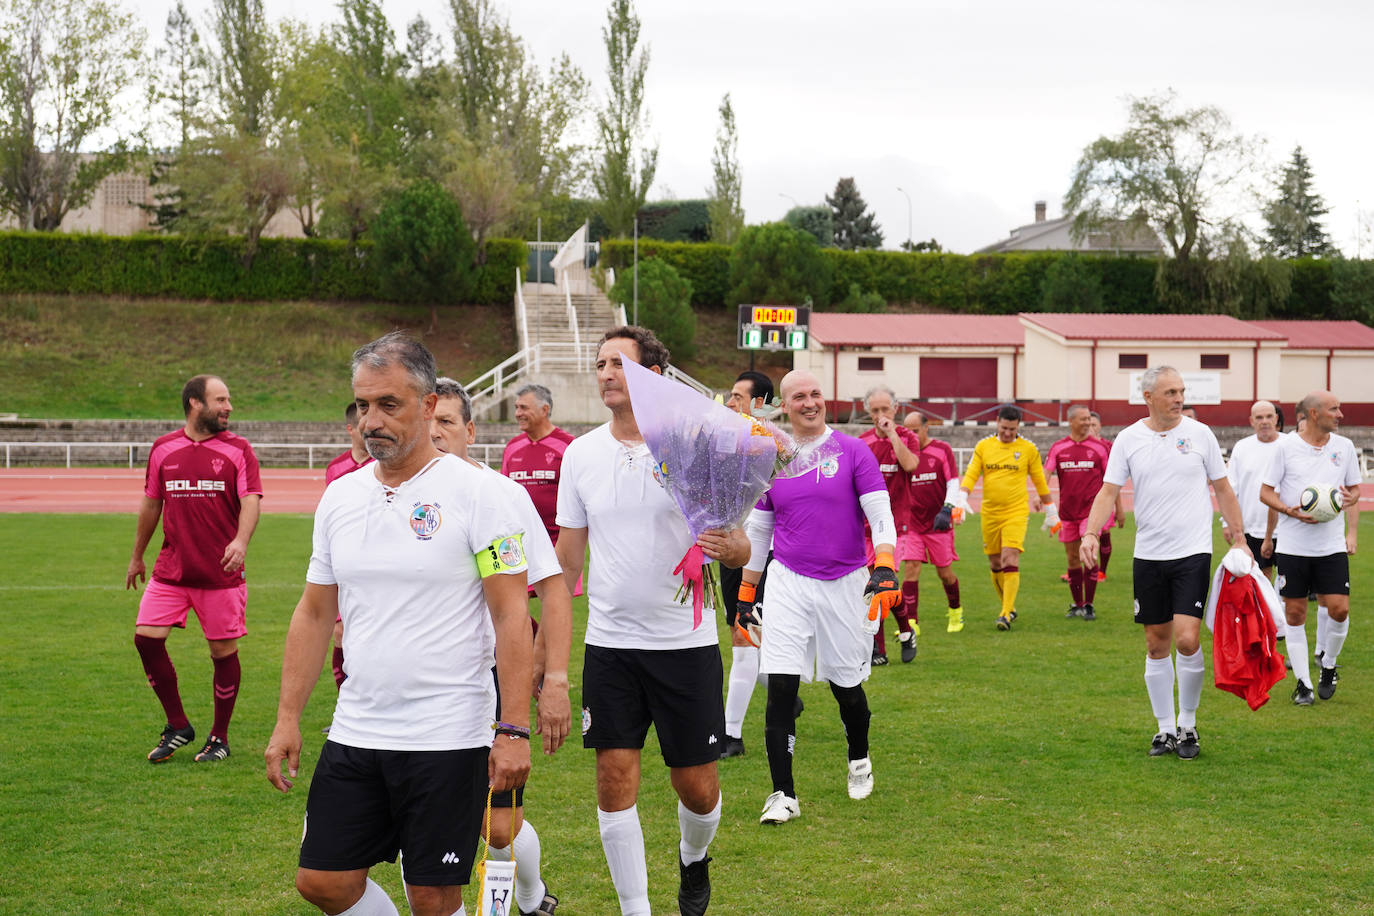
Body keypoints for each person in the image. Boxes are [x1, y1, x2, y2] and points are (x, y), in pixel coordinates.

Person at [265, 332, 535, 916]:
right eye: (363, 405)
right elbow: (314, 612)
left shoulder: (484, 496)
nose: (371, 420)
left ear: (431, 404)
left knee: (434, 900)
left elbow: (513, 613)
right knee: (323, 881)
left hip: (447, 735)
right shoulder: (340, 497)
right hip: (356, 727)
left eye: (389, 404)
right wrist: (288, 718)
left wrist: (513, 727)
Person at [554, 326, 750, 916]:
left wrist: (732, 549)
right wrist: (548, 657)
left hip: (684, 645)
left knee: (697, 787)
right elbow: (567, 559)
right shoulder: (580, 454)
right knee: (614, 782)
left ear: (653, 377)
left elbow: (740, 548)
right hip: (609, 646)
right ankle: (635, 909)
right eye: (600, 364)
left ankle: (694, 859)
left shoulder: (696, 448)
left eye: (619, 363)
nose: (606, 372)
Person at [432, 377, 570, 916]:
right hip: (423, 690)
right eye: (427, 422)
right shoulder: (396, 494)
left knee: (500, 827)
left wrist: (554, 676)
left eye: (447, 422)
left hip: (489, 681)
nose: (435, 434)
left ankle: (533, 896)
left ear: (470, 430)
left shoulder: (501, 495)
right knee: (431, 824)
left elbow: (551, 588)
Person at [742, 370, 900, 825]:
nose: (809, 403)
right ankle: (782, 794)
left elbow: (879, 511)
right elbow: (761, 529)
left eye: (815, 395)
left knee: (846, 688)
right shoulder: (774, 457)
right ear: (784, 406)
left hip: (846, 582)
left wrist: (885, 563)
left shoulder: (853, 451)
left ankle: (859, 756)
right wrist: (747, 594)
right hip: (789, 581)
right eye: (799, 397)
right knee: (780, 687)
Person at [1080, 366, 1249, 760]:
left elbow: (1223, 489)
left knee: (1187, 639)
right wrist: (1091, 533)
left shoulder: (1199, 434)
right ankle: (1164, 729)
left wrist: (1238, 538)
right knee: (1156, 644)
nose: (1179, 398)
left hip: (1192, 551)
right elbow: (1108, 491)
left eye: (1181, 391)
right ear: (1149, 397)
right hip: (1149, 555)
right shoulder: (1129, 439)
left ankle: (1188, 724)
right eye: (1171, 392)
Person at [126, 374, 262, 764]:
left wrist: (240, 541)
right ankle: (178, 725)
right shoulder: (163, 449)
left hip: (219, 571)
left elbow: (251, 498)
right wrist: (137, 555)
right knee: (146, 639)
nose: (229, 407)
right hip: (172, 569)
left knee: (222, 652)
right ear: (194, 404)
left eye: (229, 399)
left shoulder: (239, 450)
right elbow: (152, 503)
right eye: (220, 400)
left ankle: (219, 738)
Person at [1259, 390, 1360, 705]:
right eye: (1334, 409)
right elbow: (1265, 492)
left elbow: (1354, 489)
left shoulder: (1343, 447)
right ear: (1314, 414)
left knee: (1339, 608)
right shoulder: (1286, 447)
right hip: (1293, 545)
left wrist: (1352, 498)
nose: (1340, 414)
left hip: (1330, 545)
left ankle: (1328, 664)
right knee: (1295, 613)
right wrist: (1290, 511)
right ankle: (1303, 684)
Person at [719, 370, 776, 759]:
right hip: (729, 550)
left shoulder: (777, 447)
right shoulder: (723, 442)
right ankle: (783, 688)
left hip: (765, 554)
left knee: (745, 637)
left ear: (763, 405)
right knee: (750, 638)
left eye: (739, 397)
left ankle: (731, 735)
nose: (730, 402)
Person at [957, 405, 1057, 630]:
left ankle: (1005, 614)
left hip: (1016, 512)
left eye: (1012, 429)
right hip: (990, 512)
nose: (1008, 433)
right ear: (997, 422)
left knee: (1010, 558)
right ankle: (1008, 607)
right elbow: (972, 473)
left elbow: (1040, 480)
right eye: (1004, 428)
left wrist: (1051, 508)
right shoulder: (984, 446)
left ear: (1018, 426)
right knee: (995, 562)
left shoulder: (1028, 449)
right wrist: (962, 498)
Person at [858, 385, 921, 664]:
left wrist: (893, 433)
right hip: (865, 528)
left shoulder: (907, 437)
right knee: (873, 585)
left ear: (896, 409)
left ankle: (895, 637)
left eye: (885, 409)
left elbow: (909, 466)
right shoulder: (861, 443)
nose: (880, 415)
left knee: (885, 583)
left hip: (896, 525)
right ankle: (884, 644)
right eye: (875, 410)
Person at [1045, 405, 1122, 621]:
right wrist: (1040, 497)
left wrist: (1119, 509)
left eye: (1089, 419)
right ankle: (1077, 604)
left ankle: (1089, 604)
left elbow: (1112, 481)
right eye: (1083, 419)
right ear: (1071, 421)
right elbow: (1046, 473)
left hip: (1091, 513)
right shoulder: (1059, 448)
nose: (1088, 423)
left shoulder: (1099, 449)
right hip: (1067, 512)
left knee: (1089, 554)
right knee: (1072, 559)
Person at [323, 402, 374, 695]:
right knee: (340, 633)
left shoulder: (384, 466)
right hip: (345, 563)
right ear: (351, 429)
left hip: (378, 562)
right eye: (363, 423)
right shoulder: (336, 469)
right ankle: (345, 702)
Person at [903, 411, 966, 634]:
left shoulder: (942, 450)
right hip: (912, 524)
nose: (910, 435)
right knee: (911, 569)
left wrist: (947, 509)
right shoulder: (904, 454)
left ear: (926, 428)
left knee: (945, 573)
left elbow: (952, 482)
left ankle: (956, 611)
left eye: (915, 431)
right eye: (907, 431)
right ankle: (911, 623)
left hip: (938, 523)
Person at [501, 384, 576, 548]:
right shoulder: (512, 447)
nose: (517, 413)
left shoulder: (569, 446)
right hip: (521, 545)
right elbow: (504, 494)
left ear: (544, 409)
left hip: (559, 545)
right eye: (516, 408)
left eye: (523, 408)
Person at [1224, 400, 1283, 586]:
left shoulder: (1290, 444)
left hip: (1288, 529)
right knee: (1259, 584)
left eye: (1268, 417)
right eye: (1259, 417)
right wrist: (1227, 523)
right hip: (1252, 527)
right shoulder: (1242, 447)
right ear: (1251, 421)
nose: (1264, 421)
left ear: (1276, 419)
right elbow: (1231, 488)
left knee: (1289, 591)